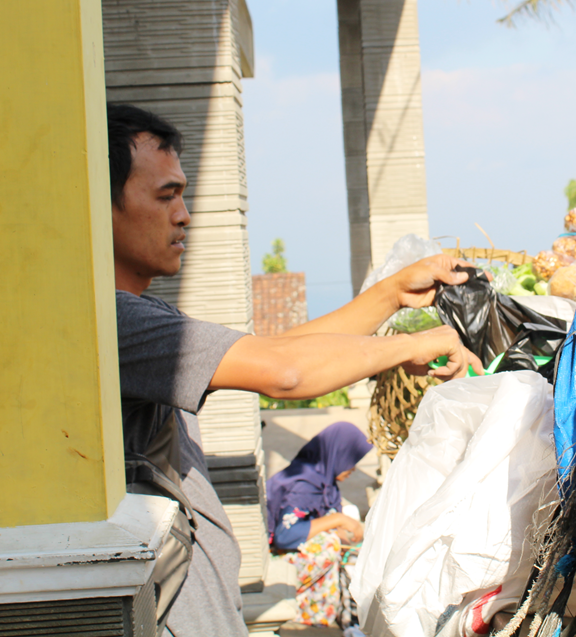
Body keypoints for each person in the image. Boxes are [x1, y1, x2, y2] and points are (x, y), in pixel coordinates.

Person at [109, 103, 481, 636]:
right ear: (103, 206)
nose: (184, 214)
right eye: (167, 195)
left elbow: (276, 350)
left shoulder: (144, 318)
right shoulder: (116, 323)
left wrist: (394, 293)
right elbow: (284, 372)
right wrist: (409, 347)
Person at [265, 422, 373, 627]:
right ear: (338, 454)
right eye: (351, 460)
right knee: (327, 544)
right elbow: (285, 536)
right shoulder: (304, 484)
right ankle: (310, 619)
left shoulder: (325, 483)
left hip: (292, 555)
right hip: (277, 559)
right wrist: (339, 521)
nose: (353, 468)